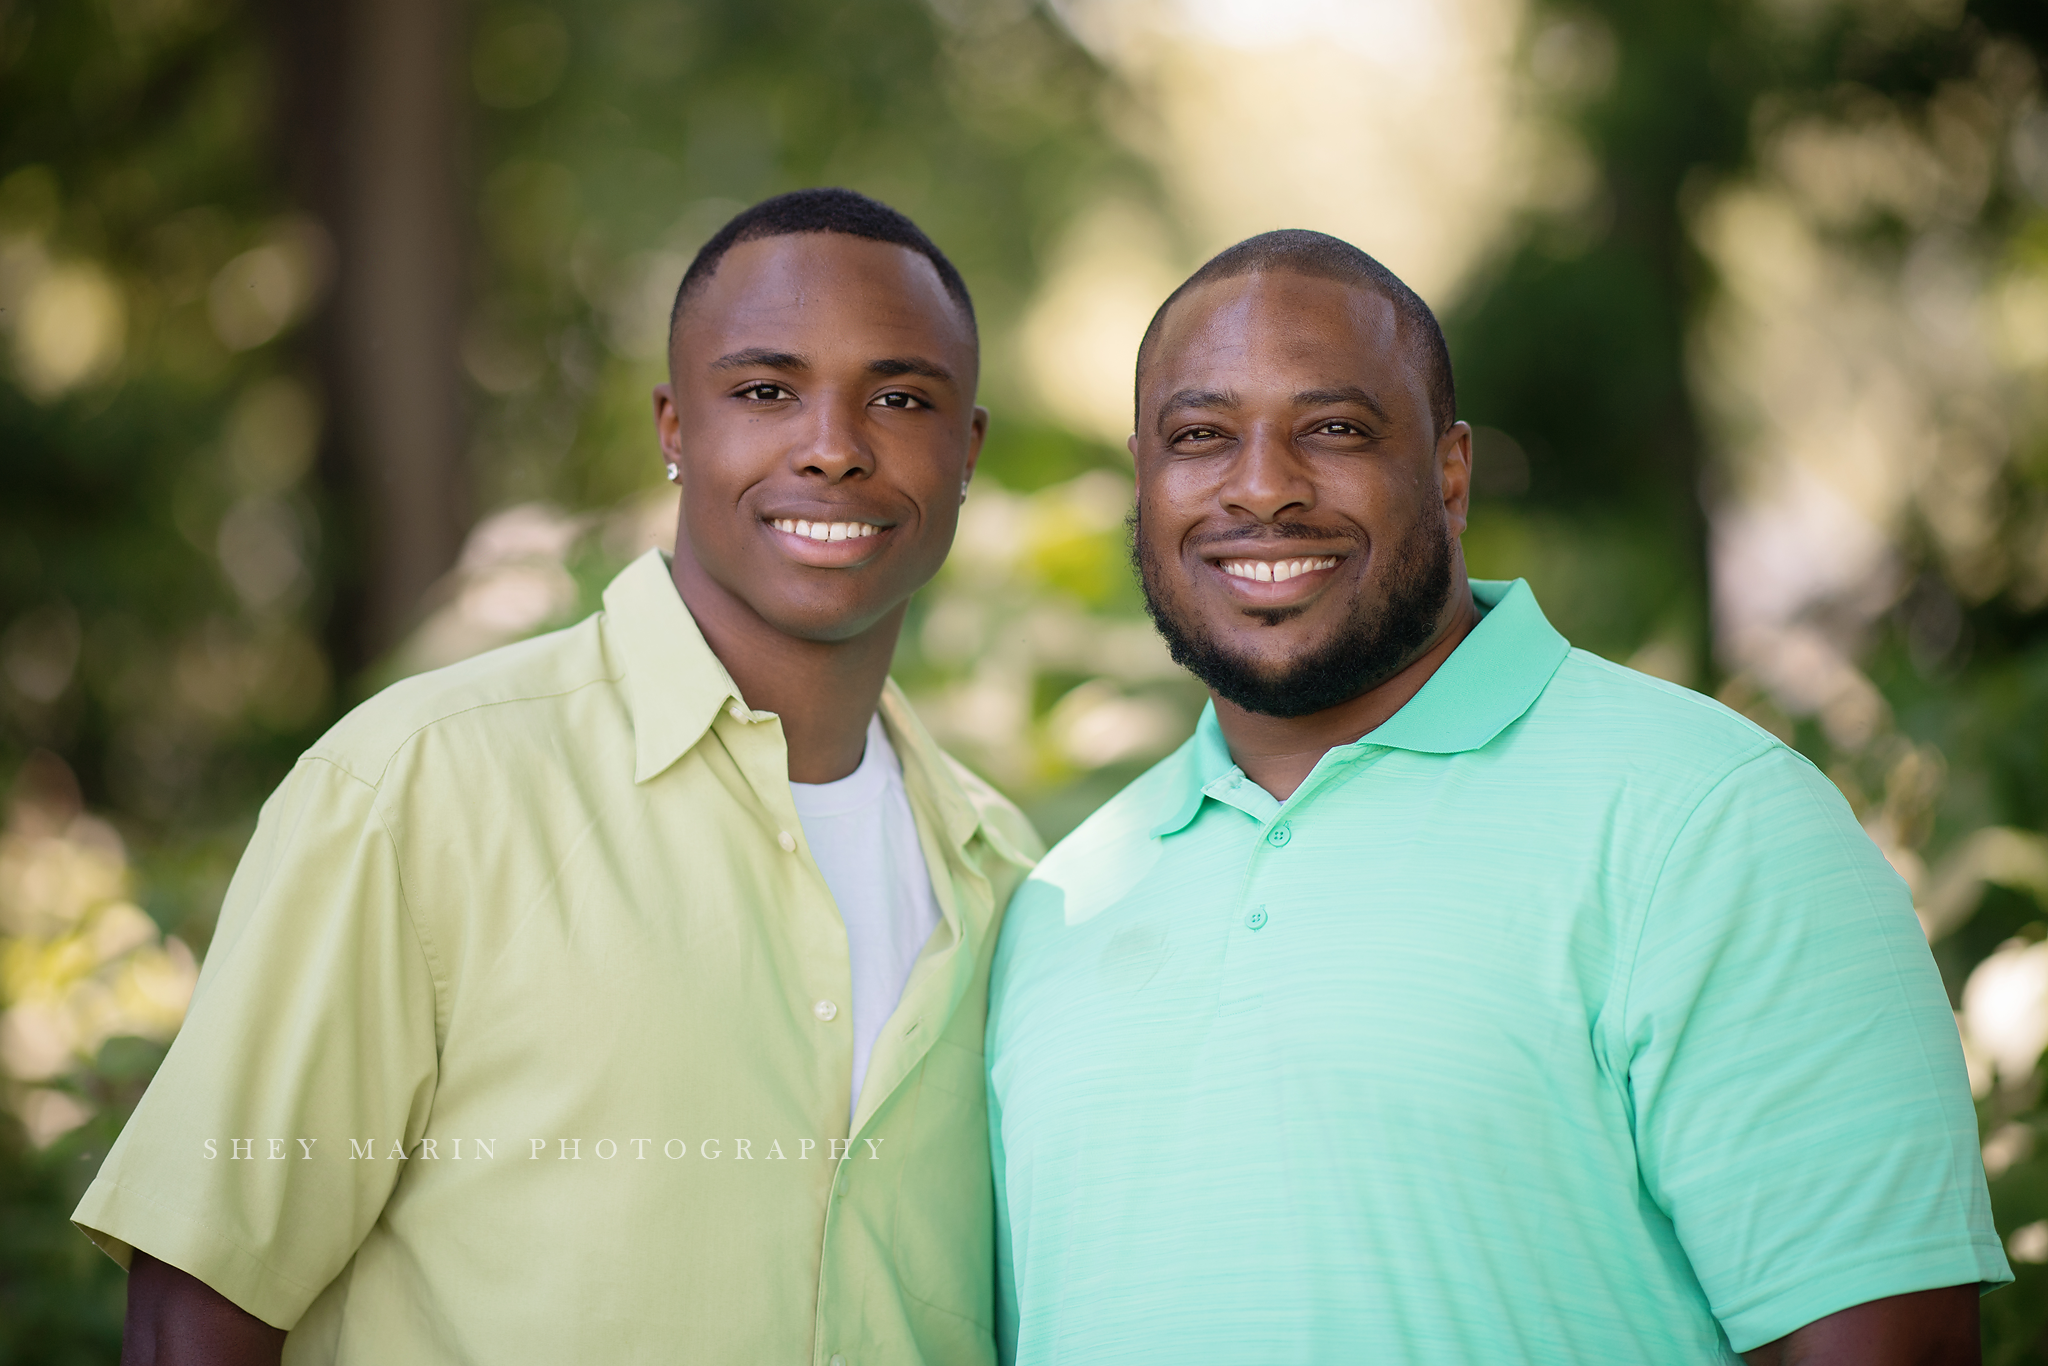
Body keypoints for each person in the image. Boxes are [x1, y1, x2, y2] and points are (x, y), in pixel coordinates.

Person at [985, 229, 2009, 1365]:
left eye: (1331, 429)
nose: (1262, 484)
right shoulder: (1058, 900)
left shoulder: (1713, 822)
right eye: (1199, 436)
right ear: (1144, 477)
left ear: (1449, 473)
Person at [76, 188, 1041, 1366]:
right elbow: (198, 1316)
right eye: (763, 391)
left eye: (899, 398)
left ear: (967, 449)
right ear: (673, 428)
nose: (833, 445)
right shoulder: (420, 786)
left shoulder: (1003, 876)